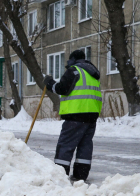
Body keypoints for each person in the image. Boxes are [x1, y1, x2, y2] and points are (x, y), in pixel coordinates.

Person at [43, 50, 102, 182]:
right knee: (85, 145)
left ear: (73, 59)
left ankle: (60, 174)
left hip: (76, 114)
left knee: (66, 145)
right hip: (91, 115)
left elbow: (62, 88)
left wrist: (50, 83)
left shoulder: (74, 71)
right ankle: (80, 175)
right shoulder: (92, 73)